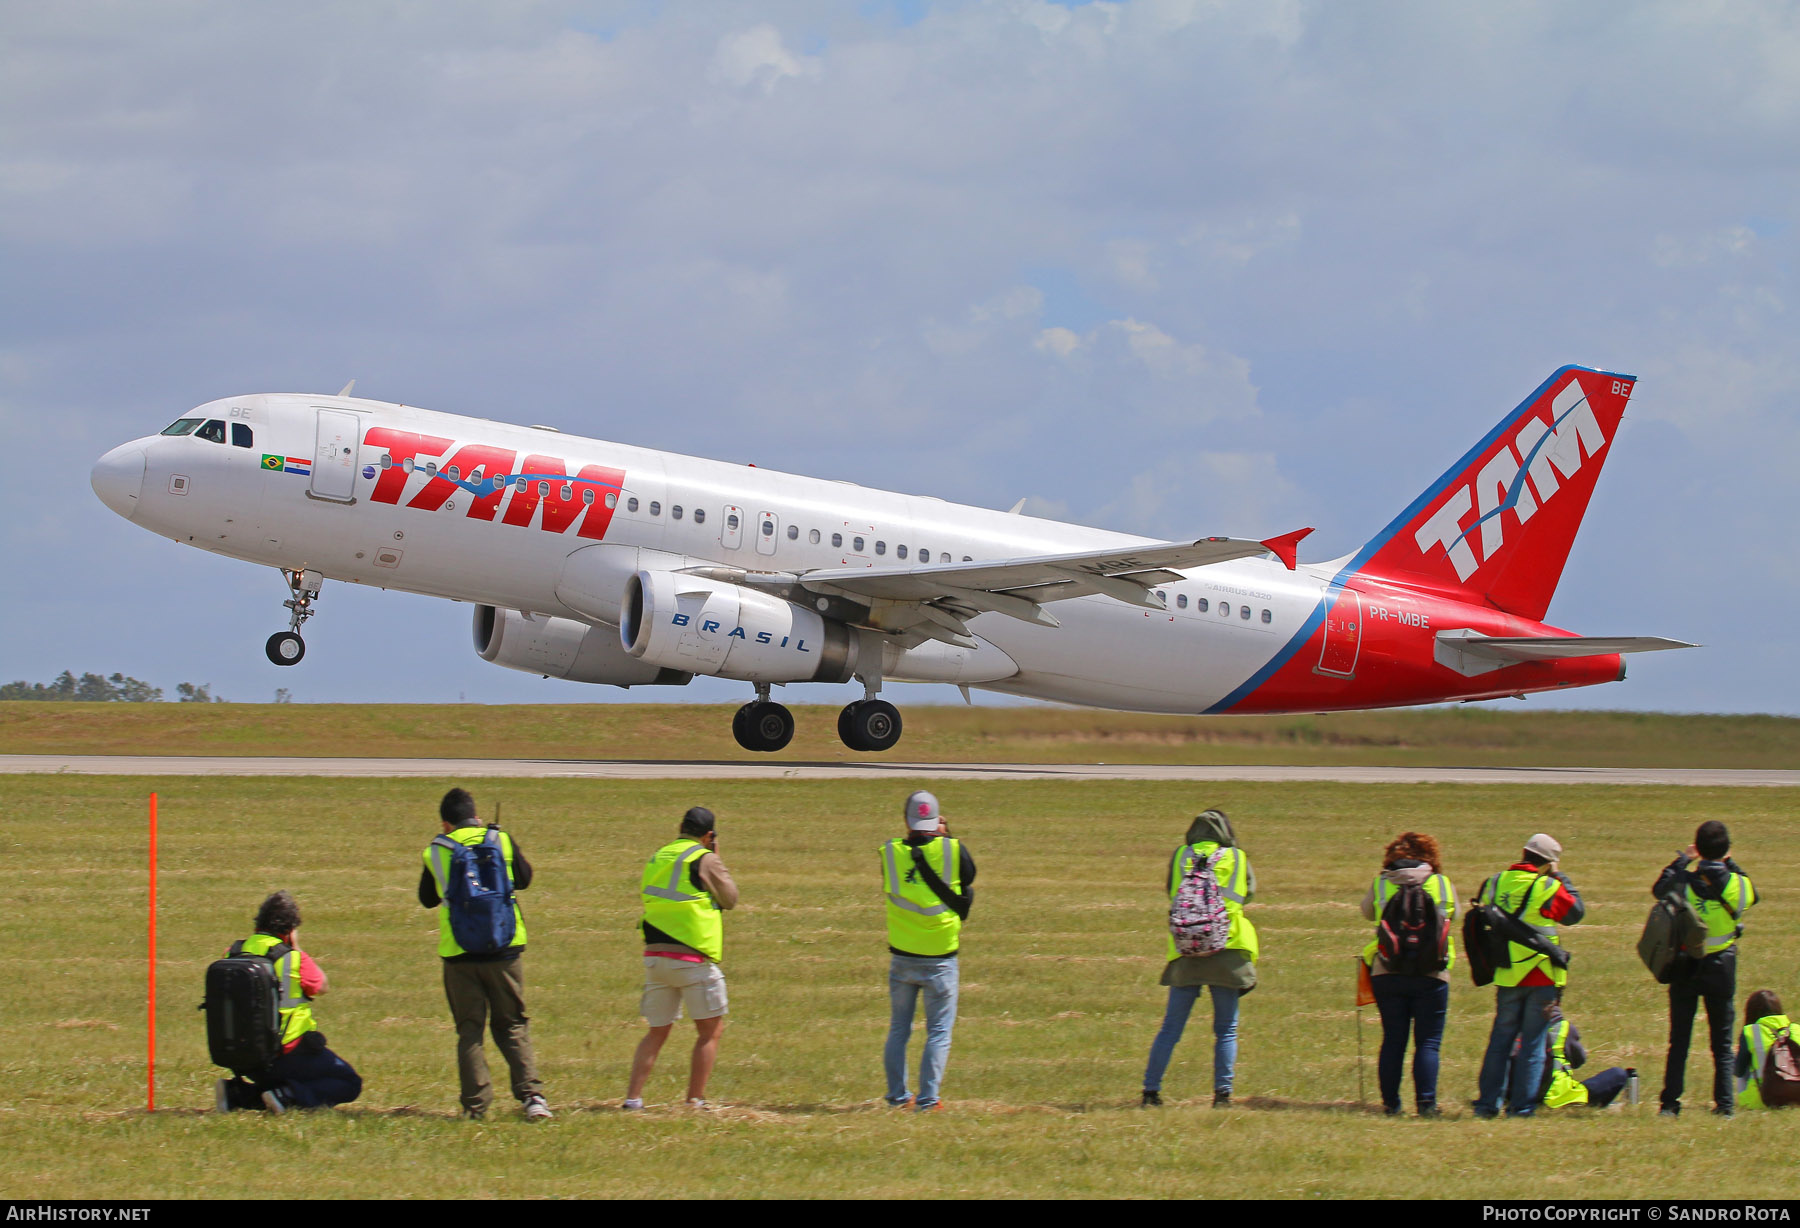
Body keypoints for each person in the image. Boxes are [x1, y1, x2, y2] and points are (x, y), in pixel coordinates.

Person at [419, 787, 551, 1121]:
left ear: (446, 823)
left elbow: (427, 898)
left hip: (459, 953)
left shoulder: (437, 849)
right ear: (475, 815)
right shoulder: (500, 839)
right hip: (505, 948)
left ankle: (475, 1106)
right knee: (513, 1024)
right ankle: (532, 1097)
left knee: (470, 1031)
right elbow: (525, 879)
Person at [1142, 809, 1257, 1109]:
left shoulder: (1181, 855)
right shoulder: (1238, 857)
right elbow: (1249, 893)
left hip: (1186, 949)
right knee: (1226, 1029)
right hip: (1227, 947)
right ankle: (1222, 1095)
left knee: (1171, 1028)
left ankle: (1150, 1092)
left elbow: (1171, 891)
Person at [625, 806, 738, 1110]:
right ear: (708, 835)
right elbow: (730, 898)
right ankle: (695, 1100)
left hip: (655, 955)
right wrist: (715, 855)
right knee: (710, 1032)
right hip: (691, 958)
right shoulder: (705, 858)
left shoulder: (659, 855)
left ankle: (633, 1099)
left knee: (657, 1031)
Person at [214, 890, 362, 1113]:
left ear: (257, 927)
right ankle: (287, 1097)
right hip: (286, 1053)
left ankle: (237, 1094)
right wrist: (297, 948)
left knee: (275, 1080)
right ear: (289, 932)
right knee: (349, 1082)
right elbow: (321, 986)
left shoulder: (233, 953)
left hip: (241, 1055)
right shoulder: (292, 957)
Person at [1471, 833, 1584, 1119]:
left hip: (1507, 973)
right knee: (1533, 1043)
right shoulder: (1546, 886)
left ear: (1523, 853)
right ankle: (1521, 1108)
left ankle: (1487, 1105)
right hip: (1541, 975)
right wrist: (1561, 877)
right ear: (1548, 863)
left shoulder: (1494, 883)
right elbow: (1575, 912)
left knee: (1500, 1040)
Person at [881, 790, 976, 1113]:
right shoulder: (951, 849)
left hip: (903, 954)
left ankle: (896, 1097)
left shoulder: (890, 852)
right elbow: (969, 878)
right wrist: (944, 837)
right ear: (937, 821)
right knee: (938, 1032)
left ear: (906, 821)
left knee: (898, 1029)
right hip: (940, 958)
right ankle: (927, 1099)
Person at [1655, 820, 1757, 1116]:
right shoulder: (1739, 885)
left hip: (1686, 964)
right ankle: (1725, 1106)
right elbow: (1753, 895)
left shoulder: (1684, 882)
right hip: (1721, 965)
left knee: (1679, 1041)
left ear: (1699, 849)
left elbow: (1659, 889)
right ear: (1726, 850)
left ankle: (1670, 1105)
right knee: (1722, 1042)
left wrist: (1684, 859)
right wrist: (1730, 863)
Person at [1360, 831, 1456, 1117]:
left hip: (1387, 971)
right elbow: (1455, 914)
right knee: (1428, 1042)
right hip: (1432, 972)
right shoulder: (1441, 884)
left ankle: (1391, 1104)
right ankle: (1426, 1104)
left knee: (1393, 1039)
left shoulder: (1382, 883)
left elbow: (1366, 912)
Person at [1534, 999, 1630, 1110]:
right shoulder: (1563, 1028)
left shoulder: (1513, 1026)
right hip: (1558, 1097)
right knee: (1618, 1075)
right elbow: (1579, 1060)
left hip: (1519, 1096)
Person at [1735, 989, 1793, 1110]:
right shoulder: (1796, 1029)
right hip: (1796, 1097)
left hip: (1763, 1099)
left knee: (1735, 1059)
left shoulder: (1750, 1031)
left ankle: (1749, 1098)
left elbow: (1738, 1071)